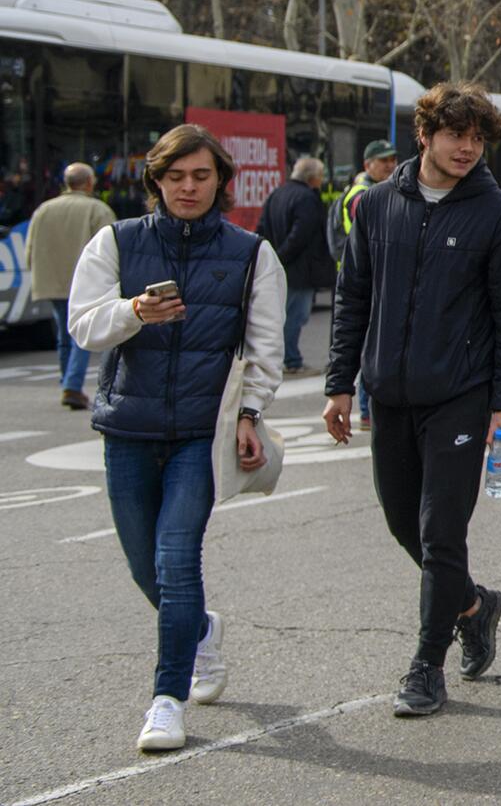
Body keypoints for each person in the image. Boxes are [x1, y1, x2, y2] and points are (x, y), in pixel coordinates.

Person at [322, 83, 501, 718]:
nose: (468, 148)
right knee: (401, 522)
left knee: (440, 531)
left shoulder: (497, 214)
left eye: (477, 138)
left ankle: (426, 665)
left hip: (461, 397)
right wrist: (340, 383)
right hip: (388, 393)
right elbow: (351, 298)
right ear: (425, 135)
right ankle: (474, 604)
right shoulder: (378, 205)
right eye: (456, 135)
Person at [68, 125, 285, 751]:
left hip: (200, 433)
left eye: (200, 176)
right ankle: (201, 630)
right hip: (127, 427)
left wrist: (249, 413)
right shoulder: (115, 241)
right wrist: (133, 312)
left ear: (220, 181)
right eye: (175, 177)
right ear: (155, 182)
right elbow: (84, 325)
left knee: (175, 556)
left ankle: (167, 699)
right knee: (145, 569)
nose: (187, 187)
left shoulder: (251, 253)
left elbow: (266, 348)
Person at [24, 161, 115, 409]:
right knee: (81, 335)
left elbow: (29, 248)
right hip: (85, 283)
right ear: (88, 183)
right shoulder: (98, 209)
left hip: (51, 281)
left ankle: (67, 381)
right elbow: (111, 250)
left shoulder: (43, 209)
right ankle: (72, 386)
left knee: (64, 335)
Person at [330, 140, 399, 428]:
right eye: (383, 161)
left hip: (364, 275)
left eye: (392, 160)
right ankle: (367, 410)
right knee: (369, 343)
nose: (390, 165)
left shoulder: (374, 191)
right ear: (367, 164)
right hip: (363, 279)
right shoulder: (364, 195)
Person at [255, 156, 334, 375]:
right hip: (300, 268)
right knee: (295, 316)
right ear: (312, 178)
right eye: (320, 176)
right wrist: (281, 257)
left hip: (281, 266)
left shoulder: (277, 193)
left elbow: (261, 227)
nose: (322, 180)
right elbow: (301, 234)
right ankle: (291, 360)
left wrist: (270, 258)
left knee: (282, 315)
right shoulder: (307, 198)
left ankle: (278, 359)